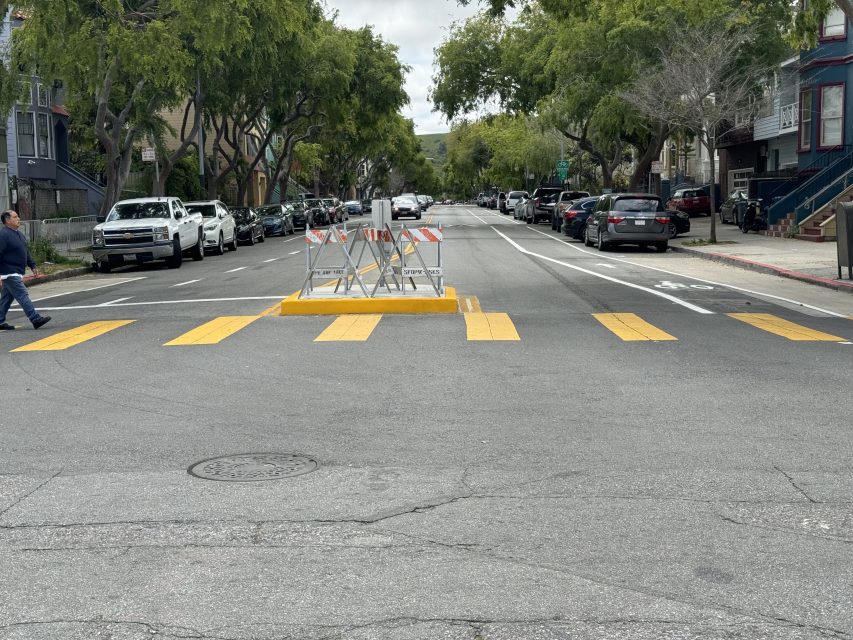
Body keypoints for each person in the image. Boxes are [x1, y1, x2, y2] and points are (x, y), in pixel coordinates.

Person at [0, 210, 50, 330]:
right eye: (15, 217)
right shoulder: (3, 235)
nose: (19, 219)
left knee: (6, 298)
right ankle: (35, 318)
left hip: (16, 271)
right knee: (22, 294)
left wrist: (32, 265)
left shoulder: (19, 234)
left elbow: (25, 252)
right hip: (8, 272)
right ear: (7, 220)